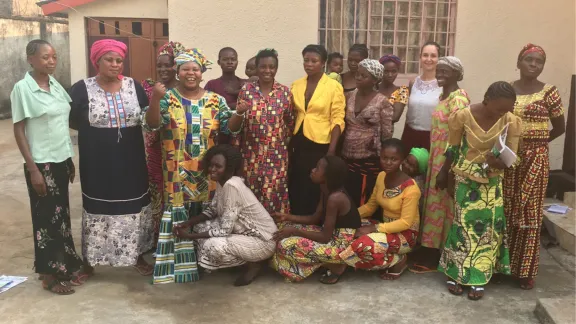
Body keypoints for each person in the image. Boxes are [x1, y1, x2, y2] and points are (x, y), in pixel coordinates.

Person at [144, 48, 244, 284]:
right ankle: (179, 267)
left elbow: (230, 129)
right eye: (185, 69)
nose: (191, 73)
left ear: (202, 73)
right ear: (177, 73)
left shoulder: (214, 100)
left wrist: (238, 113)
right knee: (178, 211)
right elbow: (152, 125)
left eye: (195, 69)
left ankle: (207, 263)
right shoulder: (168, 98)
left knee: (205, 211)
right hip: (175, 171)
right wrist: (156, 99)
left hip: (207, 172)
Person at [69, 39, 153, 276]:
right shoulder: (81, 88)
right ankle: (90, 261)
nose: (115, 65)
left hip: (131, 159)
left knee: (134, 204)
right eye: (109, 59)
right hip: (96, 160)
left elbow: (146, 115)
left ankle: (135, 255)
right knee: (96, 205)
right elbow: (72, 120)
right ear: (97, 61)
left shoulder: (133, 87)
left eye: (119, 60)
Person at [11, 40, 86, 295]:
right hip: (40, 162)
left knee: (62, 215)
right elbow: (19, 130)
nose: (51, 61)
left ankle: (65, 263)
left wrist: (69, 159)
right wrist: (33, 169)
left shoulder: (56, 86)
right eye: (45, 57)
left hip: (60, 160)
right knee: (45, 219)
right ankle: (48, 273)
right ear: (30, 59)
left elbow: (61, 123)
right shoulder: (22, 89)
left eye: (54, 57)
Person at [437, 81, 522, 300]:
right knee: (462, 226)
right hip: (465, 180)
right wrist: (444, 173)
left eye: (507, 109)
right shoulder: (463, 116)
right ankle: (456, 274)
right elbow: (453, 148)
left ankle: (478, 277)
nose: (503, 113)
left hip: (492, 183)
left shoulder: (511, 121)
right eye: (499, 108)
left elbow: (512, 156)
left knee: (486, 231)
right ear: (486, 100)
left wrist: (499, 162)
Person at [504, 44, 566, 290]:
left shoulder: (549, 92)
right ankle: (503, 265)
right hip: (510, 157)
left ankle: (525, 271)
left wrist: (539, 143)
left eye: (539, 61)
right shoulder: (508, 90)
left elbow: (560, 127)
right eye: (528, 60)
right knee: (508, 207)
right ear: (519, 62)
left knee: (529, 211)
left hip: (536, 159)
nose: (533, 65)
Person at [173, 145, 278, 286]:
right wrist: (189, 223)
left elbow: (224, 230)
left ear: (229, 168)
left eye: (218, 166)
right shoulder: (222, 182)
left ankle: (254, 263)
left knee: (213, 246)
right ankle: (246, 259)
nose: (212, 169)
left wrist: (189, 237)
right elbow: (213, 210)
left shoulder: (232, 186)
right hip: (248, 235)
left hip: (263, 242)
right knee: (199, 227)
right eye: (211, 165)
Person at [412, 56, 470, 273]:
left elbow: (458, 136)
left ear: (457, 74)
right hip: (436, 159)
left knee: (443, 207)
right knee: (435, 205)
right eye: (439, 70)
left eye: (446, 71)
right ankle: (430, 248)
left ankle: (441, 255)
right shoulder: (443, 96)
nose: (441, 74)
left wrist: (446, 169)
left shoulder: (458, 98)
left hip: (447, 160)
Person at [271, 156, 361, 283]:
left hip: (340, 245)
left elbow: (325, 237)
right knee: (282, 227)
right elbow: (314, 218)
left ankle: (335, 265)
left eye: (317, 169)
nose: (313, 170)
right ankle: (321, 263)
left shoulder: (335, 198)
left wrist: (295, 232)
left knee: (285, 245)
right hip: (330, 235)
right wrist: (287, 217)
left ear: (328, 176)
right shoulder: (325, 189)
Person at [340, 139, 421, 280]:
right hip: (385, 229)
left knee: (362, 245)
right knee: (345, 230)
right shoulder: (381, 176)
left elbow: (405, 223)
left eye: (394, 159)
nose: (388, 163)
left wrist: (374, 228)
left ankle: (398, 261)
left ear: (402, 160)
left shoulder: (411, 188)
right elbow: (370, 206)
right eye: (384, 158)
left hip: (405, 235)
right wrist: (348, 215)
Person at [288, 44, 346, 216]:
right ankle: (296, 218)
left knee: (316, 185)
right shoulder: (296, 85)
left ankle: (313, 221)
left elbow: (337, 119)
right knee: (297, 181)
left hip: (320, 143)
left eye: (314, 61)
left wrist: (331, 150)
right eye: (306, 60)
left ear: (323, 63)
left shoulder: (333, 86)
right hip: (299, 140)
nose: (309, 64)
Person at [236, 48, 294, 214]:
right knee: (251, 195)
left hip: (277, 156)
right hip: (251, 156)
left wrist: (281, 147)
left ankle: (275, 235)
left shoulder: (285, 93)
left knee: (274, 195)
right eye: (263, 67)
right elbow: (239, 126)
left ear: (276, 68)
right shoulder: (246, 91)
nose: (267, 70)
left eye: (271, 67)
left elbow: (290, 123)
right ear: (257, 68)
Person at [141, 41, 185, 247]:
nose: (163, 69)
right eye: (160, 65)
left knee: (179, 192)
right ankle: (160, 241)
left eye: (168, 65)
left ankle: (180, 238)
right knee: (157, 193)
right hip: (155, 150)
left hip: (180, 151)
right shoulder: (148, 87)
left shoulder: (185, 88)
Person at [341, 59, 393, 208]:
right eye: (358, 74)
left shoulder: (382, 102)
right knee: (349, 192)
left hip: (369, 158)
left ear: (375, 80)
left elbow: (387, 133)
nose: (358, 78)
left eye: (364, 76)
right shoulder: (349, 96)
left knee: (365, 195)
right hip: (347, 155)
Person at [401, 41, 442, 151]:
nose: (428, 59)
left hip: (432, 138)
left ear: (439, 59)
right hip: (410, 135)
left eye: (433, 56)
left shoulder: (443, 85)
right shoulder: (413, 82)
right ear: (420, 58)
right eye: (425, 55)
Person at [378, 54, 410, 123]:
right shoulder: (373, 88)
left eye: (393, 71)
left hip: (386, 132)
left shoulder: (401, 91)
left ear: (398, 71)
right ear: (381, 71)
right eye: (386, 71)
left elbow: (395, 117)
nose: (390, 75)